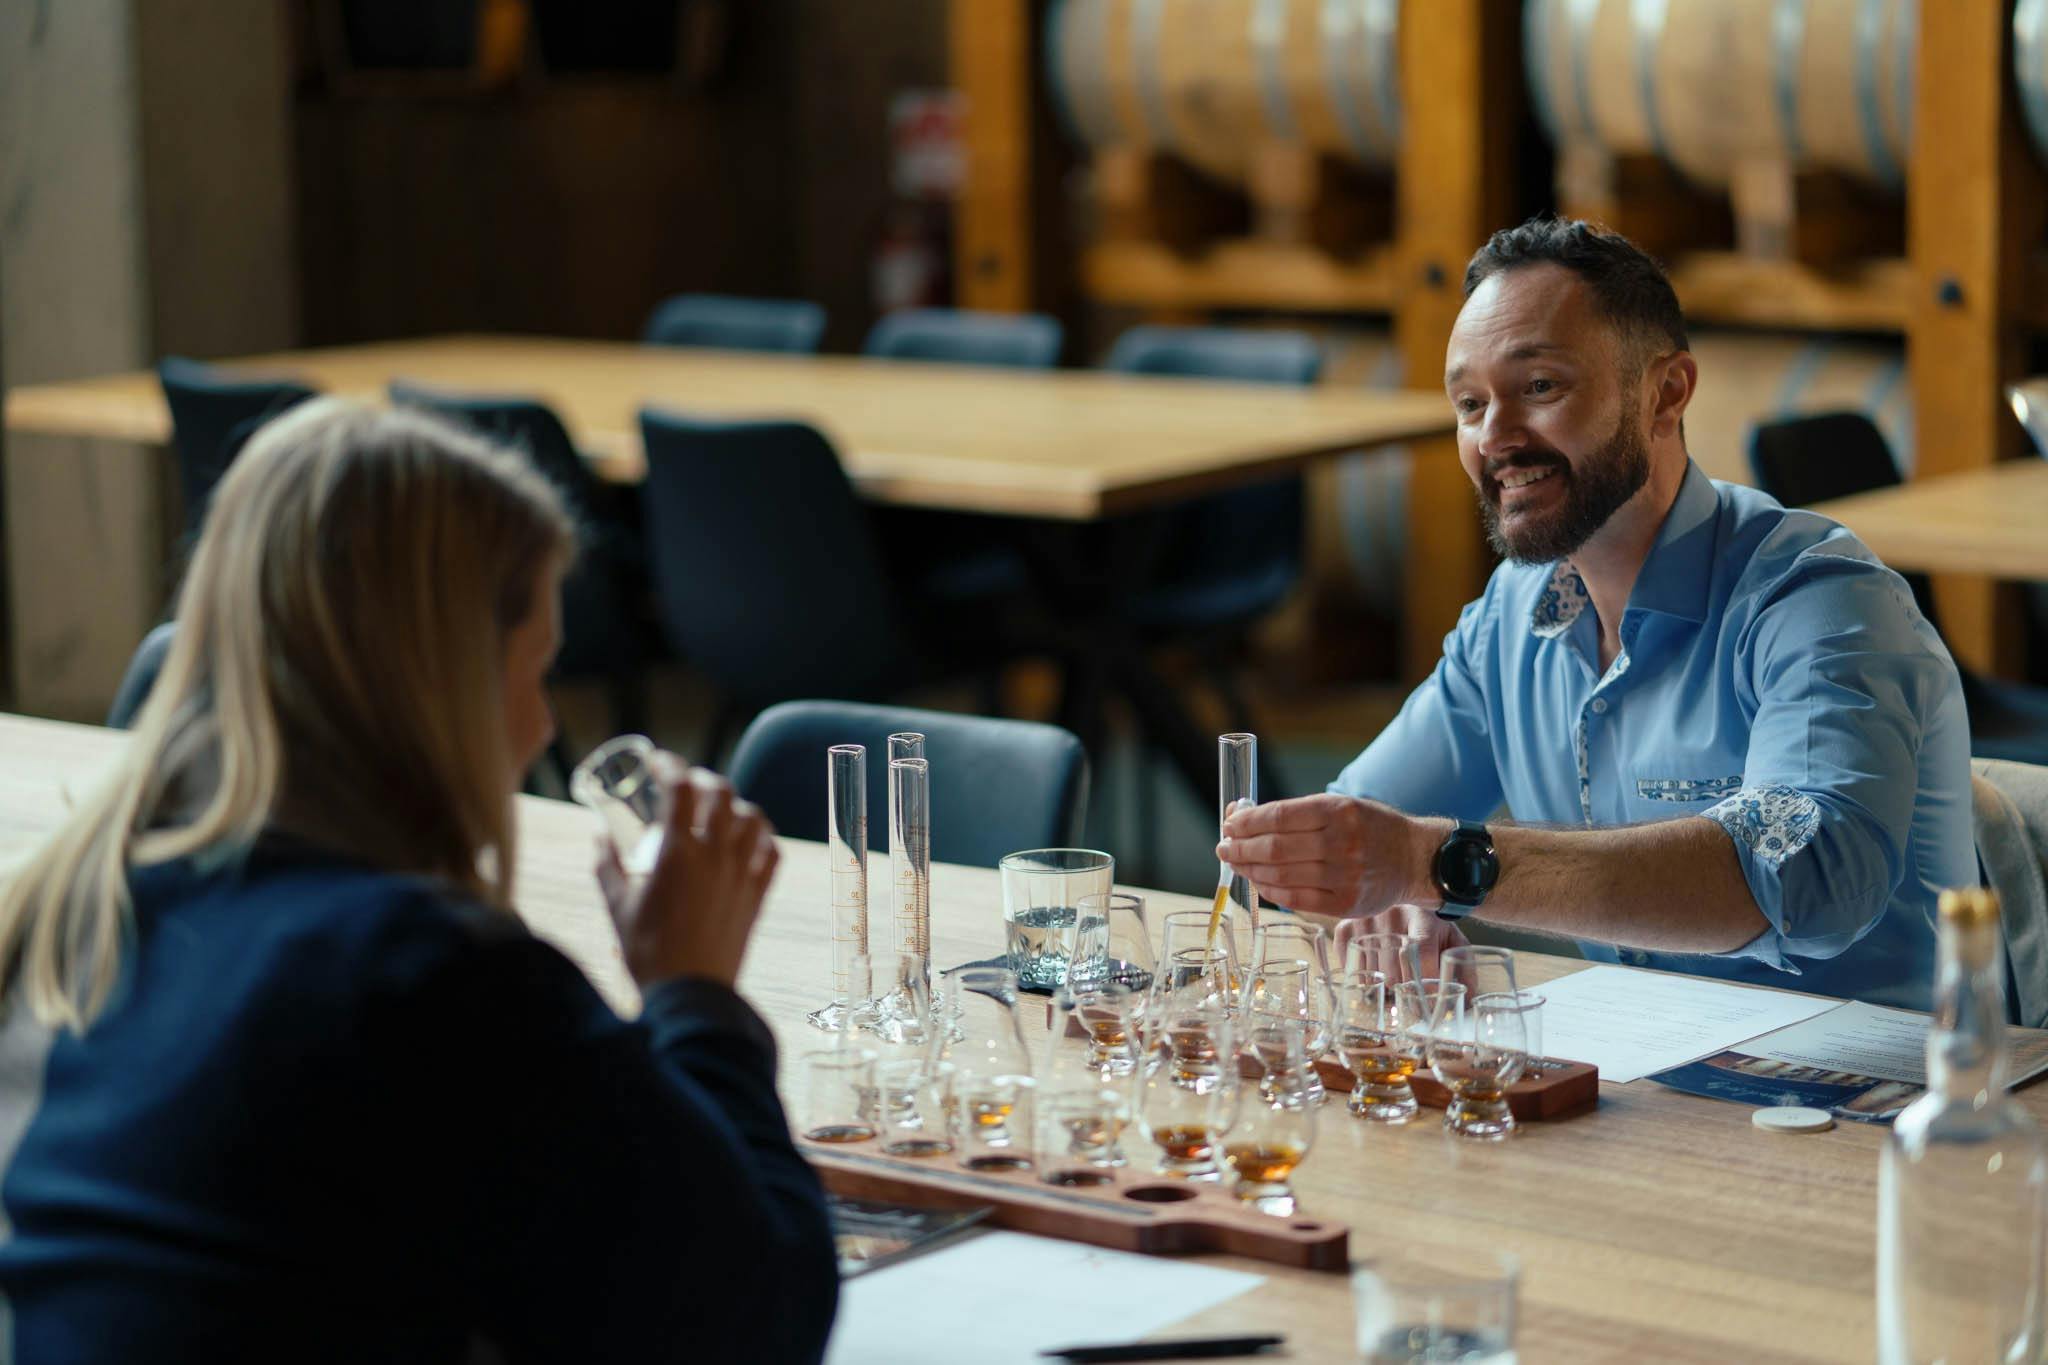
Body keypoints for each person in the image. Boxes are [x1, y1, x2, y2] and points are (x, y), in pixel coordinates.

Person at [0, 400, 837, 1361]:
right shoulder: (430, 978)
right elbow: (753, 1323)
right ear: (444, 681)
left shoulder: (71, 911)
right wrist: (696, 994)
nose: (537, 730)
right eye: (536, 673)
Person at [1219, 217, 1974, 1012]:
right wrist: (1393, 891)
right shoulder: (1510, 614)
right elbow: (1345, 838)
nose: (1495, 436)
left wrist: (1432, 864)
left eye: (1540, 387)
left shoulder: (1819, 598)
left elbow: (1807, 883)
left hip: (1889, 1099)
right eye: (1470, 403)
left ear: (1665, 393)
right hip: (1651, 1079)